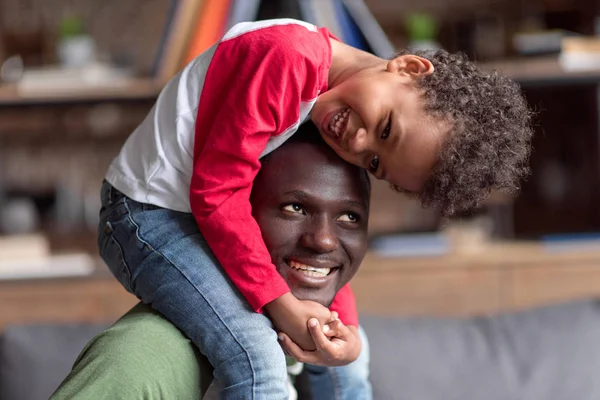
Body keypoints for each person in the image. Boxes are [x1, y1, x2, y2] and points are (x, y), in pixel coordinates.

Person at [100, 18, 533, 399]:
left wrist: (343, 330)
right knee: (256, 357)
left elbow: (321, 251)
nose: (359, 144)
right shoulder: (287, 61)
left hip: (211, 219)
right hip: (147, 217)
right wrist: (281, 303)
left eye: (375, 164)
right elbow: (216, 192)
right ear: (408, 67)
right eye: (386, 127)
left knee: (345, 357)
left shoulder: (332, 104)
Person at [53, 126, 372, 399]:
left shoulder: (328, 347)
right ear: (233, 220)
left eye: (349, 216)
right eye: (294, 208)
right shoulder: (139, 359)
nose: (324, 240)